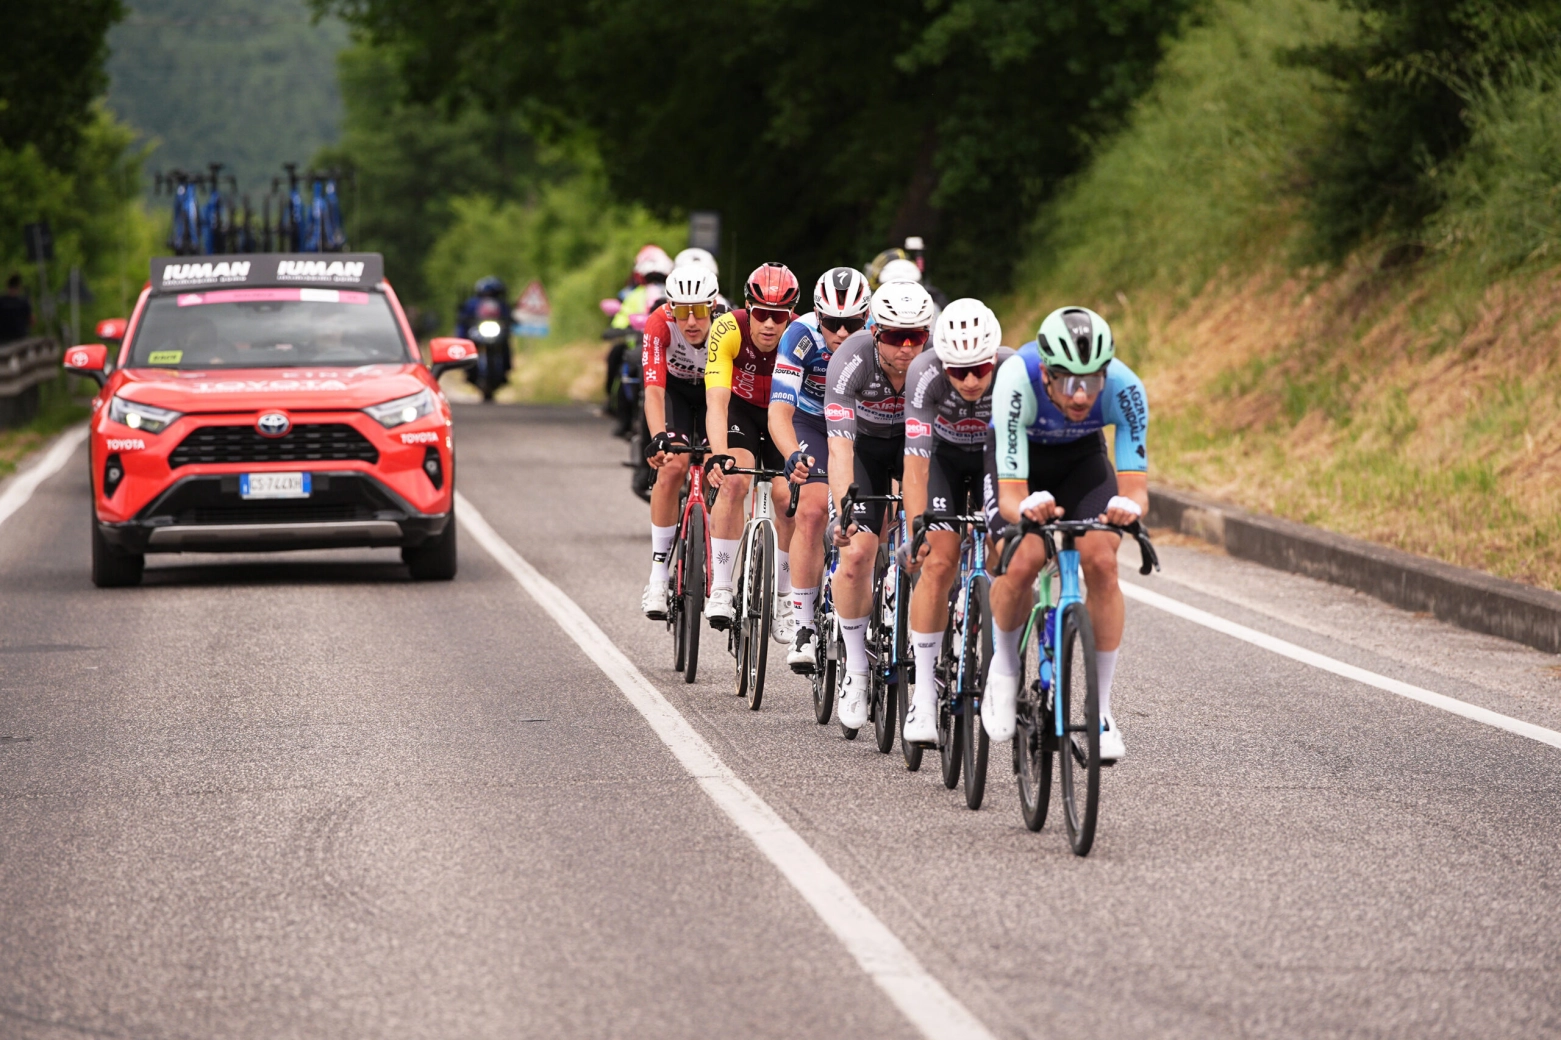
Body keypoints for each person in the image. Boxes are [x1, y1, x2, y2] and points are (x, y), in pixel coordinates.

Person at [985, 306, 1149, 762]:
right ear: (1046, 373)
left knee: (1103, 562)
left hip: (1082, 461)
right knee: (1023, 559)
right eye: (1069, 382)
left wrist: (1128, 507)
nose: (1081, 396)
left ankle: (1100, 711)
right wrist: (1026, 507)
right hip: (1020, 463)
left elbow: (1135, 487)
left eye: (1092, 382)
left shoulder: (1126, 387)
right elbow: (1012, 495)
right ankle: (1004, 668)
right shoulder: (1016, 378)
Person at [822, 280, 937, 730]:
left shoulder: (936, 363)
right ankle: (855, 668)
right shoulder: (850, 359)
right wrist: (843, 512)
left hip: (916, 450)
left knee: (932, 549)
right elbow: (839, 450)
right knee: (855, 556)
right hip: (864, 451)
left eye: (916, 337)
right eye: (895, 337)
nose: (907, 348)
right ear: (874, 332)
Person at [898, 299, 1012, 745]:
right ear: (942, 364)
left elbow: (1027, 456)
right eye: (958, 371)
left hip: (993, 461)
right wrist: (917, 532)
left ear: (994, 358)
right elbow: (915, 464)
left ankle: (997, 654)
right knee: (939, 562)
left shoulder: (1013, 372)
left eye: (979, 369)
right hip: (943, 459)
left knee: (1008, 552)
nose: (969, 381)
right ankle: (924, 696)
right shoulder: (924, 373)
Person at [768, 266, 871, 672]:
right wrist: (793, 454)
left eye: (852, 324)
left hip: (863, 426)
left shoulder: (881, 336)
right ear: (816, 315)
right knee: (811, 511)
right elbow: (780, 411)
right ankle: (804, 628)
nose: (842, 333)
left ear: (868, 318)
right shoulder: (801, 335)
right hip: (812, 421)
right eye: (831, 322)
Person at [702, 262, 800, 632]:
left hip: (782, 416)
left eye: (779, 315)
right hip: (740, 411)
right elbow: (716, 402)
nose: (770, 324)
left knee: (787, 498)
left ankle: (784, 596)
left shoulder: (801, 335)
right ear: (747, 307)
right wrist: (719, 454)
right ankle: (722, 587)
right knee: (734, 482)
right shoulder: (727, 328)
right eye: (761, 314)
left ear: (791, 314)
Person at [640, 264, 724, 619]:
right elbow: (654, 391)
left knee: (718, 469)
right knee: (672, 465)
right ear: (670, 307)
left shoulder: (727, 324)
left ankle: (716, 564)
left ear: (713, 306)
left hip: (714, 394)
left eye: (700, 310)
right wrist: (659, 437)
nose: (691, 321)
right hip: (675, 392)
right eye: (682, 311)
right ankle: (658, 576)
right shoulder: (659, 323)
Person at [0, 275, 31, 343]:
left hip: (3, 340)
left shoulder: (1, 301)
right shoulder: (23, 302)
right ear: (19, 286)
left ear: (7, 286)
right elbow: (31, 321)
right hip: (20, 339)